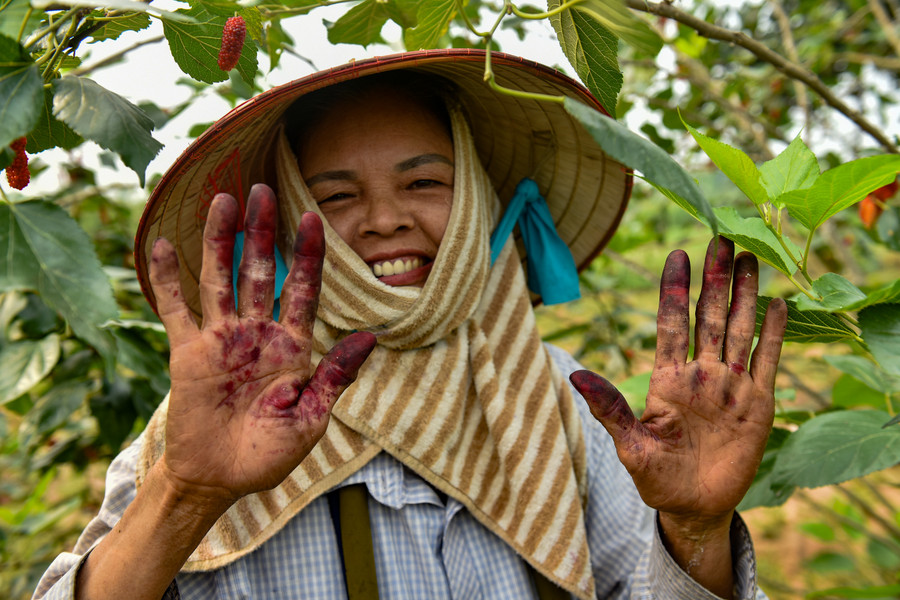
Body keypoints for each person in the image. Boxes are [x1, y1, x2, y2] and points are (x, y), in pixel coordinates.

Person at [33, 49, 786, 600]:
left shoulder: (560, 400)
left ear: (479, 203)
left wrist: (695, 534)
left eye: (424, 181)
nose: (387, 219)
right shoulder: (214, 423)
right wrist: (188, 494)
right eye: (334, 197)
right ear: (292, 220)